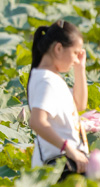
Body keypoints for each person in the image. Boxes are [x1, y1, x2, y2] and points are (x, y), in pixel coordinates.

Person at [28, 20, 89, 173]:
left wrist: (80, 68)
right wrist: (68, 149)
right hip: (58, 166)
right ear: (59, 48)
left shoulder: (51, 77)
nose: (76, 58)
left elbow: (79, 105)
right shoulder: (46, 81)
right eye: (75, 53)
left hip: (64, 163)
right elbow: (36, 121)